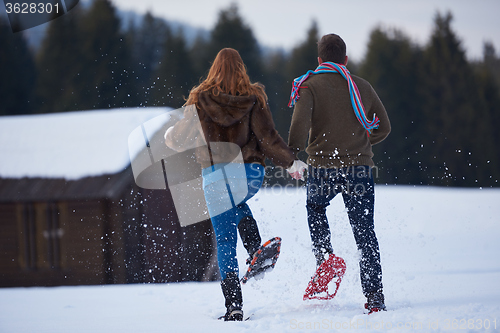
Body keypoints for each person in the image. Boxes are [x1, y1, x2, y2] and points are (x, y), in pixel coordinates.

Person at [165, 48, 304, 321]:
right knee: (236, 200)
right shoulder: (253, 98)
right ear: (241, 69)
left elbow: (179, 138)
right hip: (249, 175)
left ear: (214, 69)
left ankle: (234, 307)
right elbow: (269, 138)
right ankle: (254, 249)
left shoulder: (200, 100)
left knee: (225, 241)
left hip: (216, 175)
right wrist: (291, 163)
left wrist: (171, 135)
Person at [287, 34, 391, 313]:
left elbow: (299, 124)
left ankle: (325, 260)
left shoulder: (309, 86)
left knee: (315, 208)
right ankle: (375, 298)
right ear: (345, 59)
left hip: (322, 168)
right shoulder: (362, 86)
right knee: (365, 231)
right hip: (359, 169)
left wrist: (292, 152)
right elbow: (384, 127)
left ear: (319, 60)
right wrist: (361, 145)